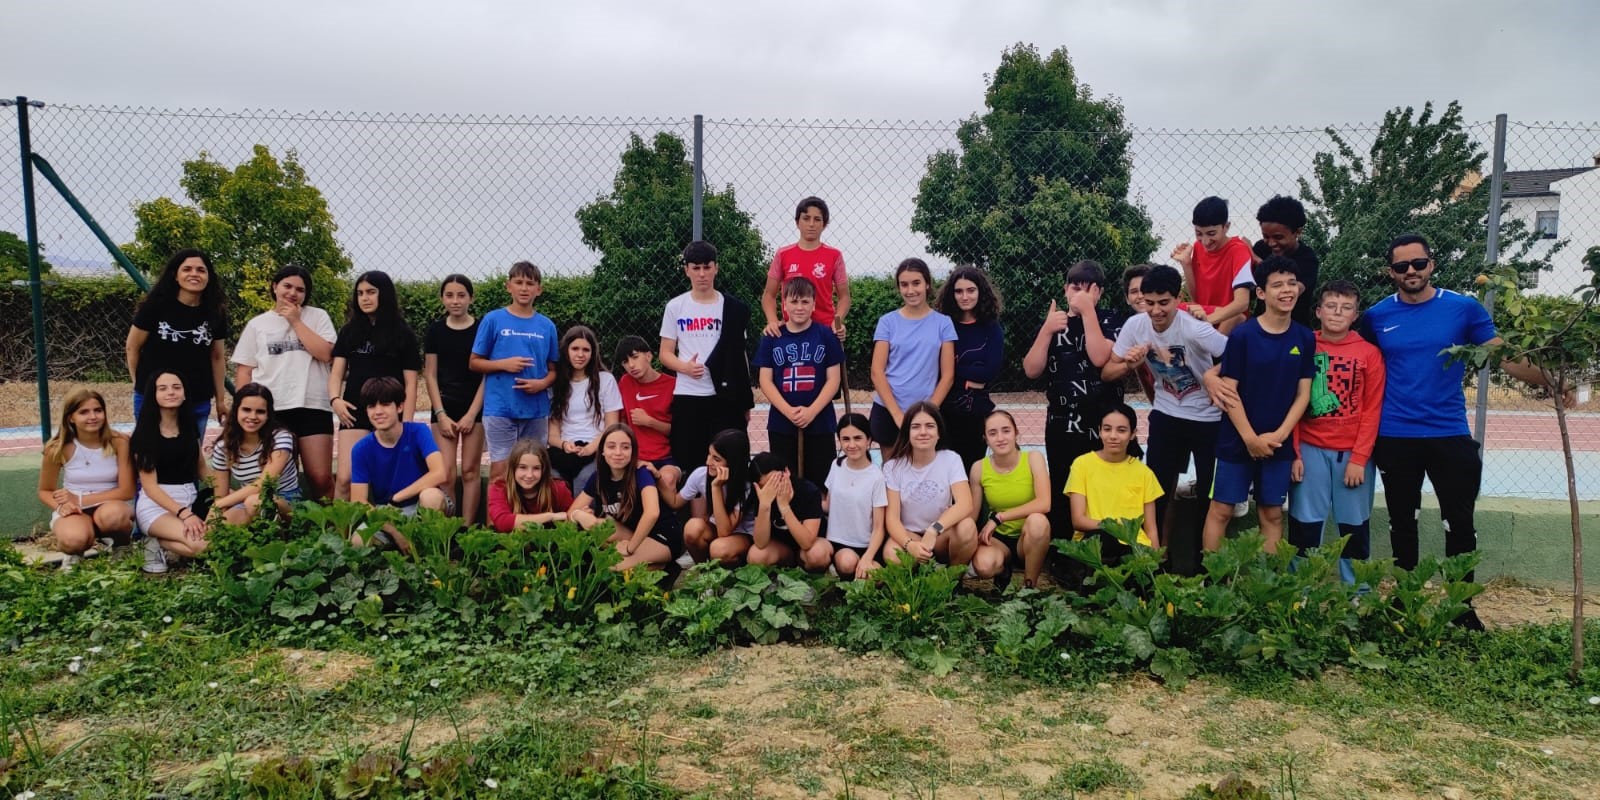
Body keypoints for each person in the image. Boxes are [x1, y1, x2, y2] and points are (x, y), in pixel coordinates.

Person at [1354, 233, 1566, 629]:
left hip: (1449, 433)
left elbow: (1502, 356)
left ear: (1432, 264)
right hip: (1396, 434)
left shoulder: (1463, 308)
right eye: (1402, 267)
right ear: (1391, 273)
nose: (1411, 271)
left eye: (1419, 263)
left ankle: (1460, 608)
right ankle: (1404, 602)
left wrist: (1552, 380)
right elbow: (1355, 362)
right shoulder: (1376, 317)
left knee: (1460, 522)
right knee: (1402, 522)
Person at [1102, 265, 1228, 543]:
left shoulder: (1195, 329)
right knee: (1156, 492)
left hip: (1209, 419)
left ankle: (1203, 567)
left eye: (1164, 303)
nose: (1156, 311)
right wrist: (1128, 365)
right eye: (1149, 303)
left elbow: (1237, 356)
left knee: (1209, 494)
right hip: (1167, 414)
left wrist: (1212, 375)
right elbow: (1107, 372)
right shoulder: (1135, 326)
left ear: (1177, 297)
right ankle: (1156, 562)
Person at [1200, 256, 1315, 554]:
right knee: (1221, 510)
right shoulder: (1243, 336)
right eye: (1277, 285)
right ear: (1261, 293)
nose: (1286, 290)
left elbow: (1303, 394)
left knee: (1272, 513)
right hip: (1237, 440)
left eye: (1292, 283)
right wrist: (1250, 438)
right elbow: (1229, 392)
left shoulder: (1303, 336)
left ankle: (1268, 589)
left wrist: (1279, 436)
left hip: (1278, 444)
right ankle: (1215, 583)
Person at [1023, 260, 1129, 540]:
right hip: (1061, 421)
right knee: (1063, 482)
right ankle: (1062, 547)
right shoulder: (1053, 323)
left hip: (1101, 421)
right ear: (1065, 289)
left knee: (1099, 483)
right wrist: (1047, 330)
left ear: (1099, 293)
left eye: (1086, 289)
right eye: (1074, 287)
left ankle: (1100, 545)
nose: (1079, 294)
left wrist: (1088, 313)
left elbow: (1099, 357)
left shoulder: (1109, 319)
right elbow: (1031, 369)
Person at [1287, 281, 1385, 584]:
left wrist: (1359, 458)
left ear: (1356, 315)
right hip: (1309, 449)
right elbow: (1291, 402)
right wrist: (1295, 452)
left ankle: (1358, 594)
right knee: (1304, 524)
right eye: (1331, 306)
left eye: (1346, 308)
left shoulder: (1369, 354)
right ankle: (1299, 590)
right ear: (1318, 311)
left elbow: (1372, 409)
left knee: (1353, 525)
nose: (1337, 313)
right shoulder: (1303, 345)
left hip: (1352, 456)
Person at [232, 264, 337, 499]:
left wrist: (296, 322)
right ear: (274, 287)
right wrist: (241, 408)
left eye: (300, 289)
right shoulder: (258, 324)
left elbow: (326, 354)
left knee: (320, 478)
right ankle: (284, 529)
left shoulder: (318, 316)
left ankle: (334, 529)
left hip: (313, 406)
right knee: (275, 479)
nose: (292, 293)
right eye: (287, 286)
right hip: (273, 409)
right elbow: (244, 371)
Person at [658, 240, 754, 469]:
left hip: (725, 396)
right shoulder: (675, 306)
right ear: (687, 270)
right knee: (691, 462)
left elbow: (739, 357)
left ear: (716, 268)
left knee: (729, 461)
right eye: (696, 268)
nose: (702, 274)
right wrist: (685, 367)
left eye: (707, 267)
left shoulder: (734, 308)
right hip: (689, 395)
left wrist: (745, 402)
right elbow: (665, 353)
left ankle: (726, 505)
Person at [329, 271, 421, 500]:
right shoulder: (349, 331)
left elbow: (411, 383)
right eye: (360, 293)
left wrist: (406, 423)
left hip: (391, 413)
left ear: (385, 294)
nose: (365, 298)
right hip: (354, 412)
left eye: (371, 292)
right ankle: (341, 534)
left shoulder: (403, 334)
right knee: (345, 479)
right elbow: (336, 373)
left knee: (390, 480)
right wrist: (335, 400)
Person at [470, 261, 560, 487]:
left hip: (536, 410)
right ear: (508, 286)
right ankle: (495, 523)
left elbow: (553, 371)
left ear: (539, 289)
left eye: (530, 283)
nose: (524, 288)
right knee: (500, 474)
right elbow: (474, 363)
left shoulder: (546, 326)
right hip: (501, 408)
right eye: (518, 282)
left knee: (534, 473)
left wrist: (541, 384)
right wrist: (504, 364)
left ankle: (530, 522)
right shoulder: (493, 320)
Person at [125, 248, 230, 434]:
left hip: (196, 399)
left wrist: (220, 400)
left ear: (209, 277)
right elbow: (132, 347)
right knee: (151, 457)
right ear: (175, 275)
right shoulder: (155, 307)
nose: (194, 274)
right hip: (154, 398)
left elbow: (217, 356)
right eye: (187, 269)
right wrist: (140, 386)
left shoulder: (215, 312)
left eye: (201, 270)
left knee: (189, 459)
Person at [755, 277, 843, 489]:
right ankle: (787, 521)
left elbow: (834, 380)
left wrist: (812, 411)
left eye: (805, 302)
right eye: (794, 302)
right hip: (782, 423)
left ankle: (821, 521)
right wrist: (788, 411)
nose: (799, 307)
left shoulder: (826, 335)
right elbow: (765, 380)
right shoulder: (772, 337)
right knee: (785, 480)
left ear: (814, 304)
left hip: (820, 421)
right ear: (784, 305)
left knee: (822, 482)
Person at [37, 389, 134, 567]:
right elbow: (45, 490)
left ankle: (121, 547)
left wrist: (80, 499)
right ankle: (74, 555)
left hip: (110, 505)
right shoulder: (57, 448)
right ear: (70, 417)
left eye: (98, 410)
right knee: (74, 539)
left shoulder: (119, 441)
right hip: (75, 510)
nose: (93, 416)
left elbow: (127, 491)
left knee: (114, 517)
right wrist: (62, 506)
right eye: (84, 412)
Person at [569, 423, 683, 572]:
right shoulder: (598, 477)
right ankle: (656, 566)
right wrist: (579, 515)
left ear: (632, 451)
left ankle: (661, 566)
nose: (618, 452)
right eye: (611, 446)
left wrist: (630, 548)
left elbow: (652, 513)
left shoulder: (641, 473)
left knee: (613, 567)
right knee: (594, 526)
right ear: (602, 450)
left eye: (625, 447)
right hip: (631, 532)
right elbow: (571, 511)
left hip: (660, 535)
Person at [869, 259, 957, 447]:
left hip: (926, 413)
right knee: (892, 473)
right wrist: (897, 415)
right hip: (889, 411)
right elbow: (877, 371)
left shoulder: (944, 323)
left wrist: (928, 412)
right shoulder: (887, 322)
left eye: (916, 283)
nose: (910, 290)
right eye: (904, 285)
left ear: (927, 284)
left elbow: (948, 375)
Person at [880, 402, 977, 568]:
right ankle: (915, 584)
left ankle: (951, 583)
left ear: (939, 433)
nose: (923, 432)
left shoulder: (950, 459)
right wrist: (909, 544)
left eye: (930, 426)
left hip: (940, 535)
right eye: (916, 427)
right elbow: (892, 519)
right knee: (891, 554)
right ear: (907, 433)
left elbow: (966, 504)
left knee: (967, 527)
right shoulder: (893, 467)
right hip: (910, 534)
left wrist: (934, 529)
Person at [132, 372, 209, 574]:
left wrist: (222, 492)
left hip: (189, 499)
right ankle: (152, 541)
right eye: (163, 388)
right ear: (153, 395)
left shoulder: (190, 427)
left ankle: (159, 541)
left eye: (176, 387)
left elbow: (201, 468)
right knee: (203, 546)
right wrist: (185, 514)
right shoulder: (144, 433)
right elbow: (149, 487)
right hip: (157, 505)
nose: (171, 392)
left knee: (218, 540)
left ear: (184, 393)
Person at [423, 274, 486, 524]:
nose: (455, 300)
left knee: (470, 472)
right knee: (446, 473)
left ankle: (467, 531)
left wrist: (471, 414)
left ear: (470, 297)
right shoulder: (435, 330)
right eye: (449, 295)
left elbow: (486, 376)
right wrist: (441, 414)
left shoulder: (482, 329)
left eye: (461, 295)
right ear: (442, 298)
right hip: (444, 408)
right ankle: (447, 529)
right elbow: (429, 374)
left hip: (476, 409)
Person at [1065, 403, 1164, 559]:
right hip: (1095, 542)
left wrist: (1157, 561)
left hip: (1134, 546)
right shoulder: (1082, 465)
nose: (1113, 436)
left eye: (1121, 430)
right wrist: (1115, 528)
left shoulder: (1144, 473)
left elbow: (1151, 528)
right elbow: (1078, 520)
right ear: (1099, 431)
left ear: (1133, 434)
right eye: (1107, 429)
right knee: (1104, 540)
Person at [967, 410, 1052, 590]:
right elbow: (972, 514)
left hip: (1027, 537)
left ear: (1016, 433)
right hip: (998, 538)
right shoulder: (979, 468)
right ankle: (1003, 570)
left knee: (1038, 521)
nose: (1000, 438)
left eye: (1006, 430)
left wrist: (999, 518)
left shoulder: (1033, 458)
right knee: (983, 566)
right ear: (986, 439)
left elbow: (1044, 503)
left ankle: (1029, 589)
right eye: (993, 433)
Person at [348, 376, 450, 517]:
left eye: (385, 404)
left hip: (419, 503)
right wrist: (391, 528)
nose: (378, 412)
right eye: (371, 406)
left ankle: (430, 539)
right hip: (387, 512)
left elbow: (440, 473)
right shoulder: (360, 449)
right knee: (358, 540)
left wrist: (397, 497)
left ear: (400, 407)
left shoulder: (418, 431)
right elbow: (358, 500)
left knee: (430, 497)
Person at [936, 266, 1005, 471]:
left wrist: (952, 374)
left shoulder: (991, 328)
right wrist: (965, 377)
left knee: (971, 472)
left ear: (980, 292)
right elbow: (936, 370)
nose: (965, 296)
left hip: (976, 412)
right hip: (942, 411)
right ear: (951, 294)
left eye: (971, 290)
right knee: (944, 472)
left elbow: (989, 372)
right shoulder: (943, 325)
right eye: (959, 291)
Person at [207, 383, 300, 525]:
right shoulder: (223, 448)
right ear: (236, 410)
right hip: (247, 500)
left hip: (287, 501)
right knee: (209, 535)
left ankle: (281, 541)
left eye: (260, 412)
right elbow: (220, 496)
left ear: (268, 414)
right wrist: (216, 512)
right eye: (246, 410)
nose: (252, 416)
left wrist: (217, 506)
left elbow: (263, 484)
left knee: (254, 502)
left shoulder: (280, 437)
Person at [761, 196, 850, 339]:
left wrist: (837, 323)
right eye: (806, 218)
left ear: (824, 224)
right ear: (797, 222)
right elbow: (768, 295)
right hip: (791, 332)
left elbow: (844, 297)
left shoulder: (834, 255)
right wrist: (772, 321)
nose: (811, 224)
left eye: (817, 219)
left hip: (825, 332)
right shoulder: (783, 254)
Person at [549, 325, 623, 491]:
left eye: (586, 350)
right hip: (565, 450)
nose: (580, 355)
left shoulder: (606, 380)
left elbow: (612, 426)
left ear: (593, 352)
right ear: (566, 350)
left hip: (596, 448)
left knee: (584, 481)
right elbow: (552, 434)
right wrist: (564, 444)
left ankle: (581, 517)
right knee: (554, 483)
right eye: (575, 348)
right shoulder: (557, 384)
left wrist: (591, 448)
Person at [1171, 196, 1254, 334]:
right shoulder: (1198, 247)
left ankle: (1215, 348)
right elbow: (1198, 299)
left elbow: (1242, 303)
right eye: (1199, 234)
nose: (1205, 241)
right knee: (1172, 309)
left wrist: (1207, 321)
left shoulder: (1238, 250)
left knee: (1234, 317)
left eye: (1211, 233)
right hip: (1206, 315)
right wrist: (1186, 264)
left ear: (1226, 227)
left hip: (1229, 320)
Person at [671, 429, 753, 565]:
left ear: (733, 462)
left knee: (719, 549)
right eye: (709, 454)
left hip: (744, 535)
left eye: (716, 459)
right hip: (717, 528)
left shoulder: (747, 484)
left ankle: (734, 575)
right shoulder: (701, 474)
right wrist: (656, 475)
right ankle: (705, 572)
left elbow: (724, 531)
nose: (708, 462)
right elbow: (675, 502)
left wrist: (716, 488)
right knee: (692, 528)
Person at [824, 413, 887, 580]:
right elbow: (828, 505)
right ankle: (845, 582)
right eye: (846, 439)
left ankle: (857, 593)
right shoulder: (836, 465)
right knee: (848, 562)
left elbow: (879, 526)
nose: (851, 444)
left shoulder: (877, 477)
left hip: (867, 544)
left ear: (868, 440)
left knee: (876, 576)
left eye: (858, 438)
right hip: (840, 543)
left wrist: (867, 557)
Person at [746, 452, 832, 571]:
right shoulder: (761, 495)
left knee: (816, 555)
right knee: (756, 555)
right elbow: (760, 543)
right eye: (768, 485)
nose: (775, 487)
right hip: (781, 548)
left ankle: (815, 581)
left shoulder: (808, 491)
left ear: (786, 472)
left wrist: (784, 507)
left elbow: (807, 543)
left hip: (809, 546)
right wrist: (764, 505)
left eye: (777, 479)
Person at [1252, 196, 1320, 328]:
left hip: (1293, 328)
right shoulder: (1261, 248)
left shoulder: (1307, 258)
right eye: (1266, 236)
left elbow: (1289, 294)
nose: (1271, 243)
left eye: (1278, 237)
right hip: (1260, 325)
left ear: (1297, 232)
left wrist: (1257, 260)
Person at [615, 334, 677, 473]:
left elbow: (679, 431)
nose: (631, 365)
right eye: (625, 362)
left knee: (668, 478)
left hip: (666, 456)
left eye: (635, 357)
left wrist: (650, 422)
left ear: (648, 356)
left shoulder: (672, 385)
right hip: (635, 457)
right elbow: (622, 421)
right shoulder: (625, 382)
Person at [487, 439, 573, 532]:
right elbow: (503, 523)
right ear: (513, 468)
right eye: (523, 467)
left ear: (544, 470)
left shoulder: (558, 488)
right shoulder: (499, 488)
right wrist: (550, 516)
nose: (529, 475)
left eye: (536, 468)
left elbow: (572, 517)